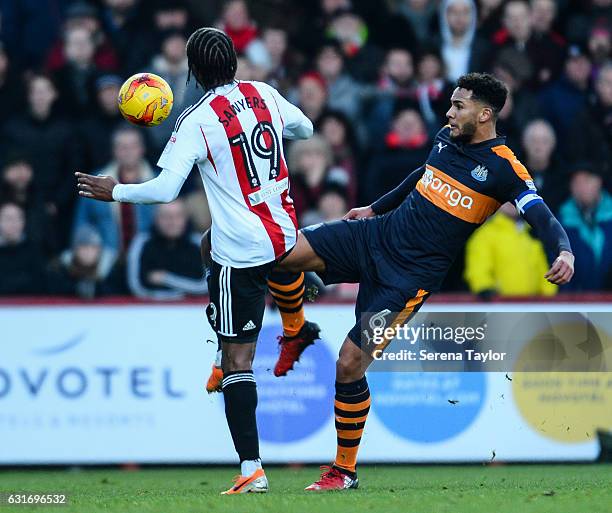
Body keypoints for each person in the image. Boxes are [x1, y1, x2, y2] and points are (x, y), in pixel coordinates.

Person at [269, 72, 574, 490]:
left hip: (406, 281)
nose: (449, 112)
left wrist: (564, 250)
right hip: (372, 236)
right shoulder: (446, 138)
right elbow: (422, 175)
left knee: (349, 364)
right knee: (279, 253)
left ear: (485, 114)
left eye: (459, 106)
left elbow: (542, 216)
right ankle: (294, 330)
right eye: (450, 104)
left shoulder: (506, 168)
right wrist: (374, 208)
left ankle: (343, 472)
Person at [76, 27, 320, 494]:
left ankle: (252, 469)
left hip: (243, 252)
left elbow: (166, 190)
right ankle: (245, 320)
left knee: (237, 362)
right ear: (234, 63)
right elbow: (306, 128)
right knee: (207, 240)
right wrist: (272, 128)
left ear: (192, 71)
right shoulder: (263, 93)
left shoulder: (197, 119)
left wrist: (116, 190)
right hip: (283, 230)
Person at [73, 127, 157, 259]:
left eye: (133, 146)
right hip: (106, 260)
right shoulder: (95, 182)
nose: (128, 152)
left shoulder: (158, 183)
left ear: (142, 149)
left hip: (148, 258)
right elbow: (82, 224)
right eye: (122, 147)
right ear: (114, 151)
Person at [464, 202, 557, 297]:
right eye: (505, 196)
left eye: (515, 196)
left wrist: (549, 299)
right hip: (500, 307)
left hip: (532, 307)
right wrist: (487, 293)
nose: (511, 201)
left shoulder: (531, 232)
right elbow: (478, 272)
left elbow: (543, 270)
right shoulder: (484, 235)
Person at [127, 200, 207, 300]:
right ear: (156, 219)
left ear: (186, 219)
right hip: (150, 309)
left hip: (191, 310)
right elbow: (136, 287)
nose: (172, 221)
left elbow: (207, 285)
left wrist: (166, 279)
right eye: (165, 216)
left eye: (178, 216)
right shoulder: (142, 243)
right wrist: (170, 297)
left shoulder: (199, 243)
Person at [558, 164, 612, 291]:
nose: (581, 188)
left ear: (599, 182)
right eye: (576, 183)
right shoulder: (559, 223)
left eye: (587, 180)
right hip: (576, 305)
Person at [0, 203, 45, 295]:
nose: (13, 223)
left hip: (28, 305)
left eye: (17, 218)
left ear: (23, 222)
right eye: (8, 219)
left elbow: (40, 282)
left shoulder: (34, 249)